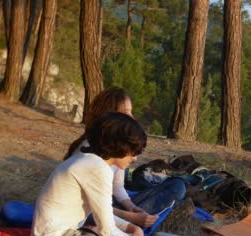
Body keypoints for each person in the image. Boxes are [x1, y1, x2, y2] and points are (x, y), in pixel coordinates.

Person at [30, 112, 147, 236]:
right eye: (134, 151)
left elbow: (96, 213)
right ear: (120, 146)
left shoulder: (91, 160)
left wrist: (131, 228)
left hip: (60, 235)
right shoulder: (98, 168)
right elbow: (107, 230)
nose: (135, 158)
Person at [65, 87, 186, 228]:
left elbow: (117, 186)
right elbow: (87, 204)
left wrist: (130, 206)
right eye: (127, 113)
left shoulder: (116, 146)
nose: (132, 118)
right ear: (112, 116)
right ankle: (129, 221)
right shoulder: (90, 151)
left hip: (109, 203)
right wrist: (130, 217)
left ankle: (132, 219)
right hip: (90, 209)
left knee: (177, 184)